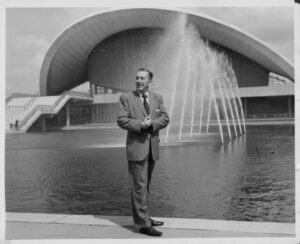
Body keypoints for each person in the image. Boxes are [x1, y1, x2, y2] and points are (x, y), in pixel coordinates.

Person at [117, 68, 169, 237]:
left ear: (149, 81)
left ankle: (144, 217)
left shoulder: (157, 98)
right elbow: (122, 120)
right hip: (137, 149)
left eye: (142, 78)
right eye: (137, 78)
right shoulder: (126, 98)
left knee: (145, 185)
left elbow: (165, 118)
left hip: (152, 149)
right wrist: (141, 124)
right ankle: (143, 224)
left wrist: (152, 124)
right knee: (139, 186)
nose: (138, 81)